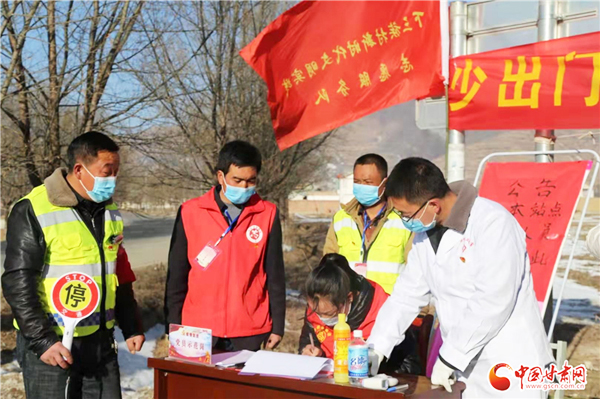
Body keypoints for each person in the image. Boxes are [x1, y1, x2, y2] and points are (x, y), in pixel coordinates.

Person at [367, 158, 554, 398]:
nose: (405, 221)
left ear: (433, 205)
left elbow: (493, 300)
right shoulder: (425, 236)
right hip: (464, 367)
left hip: (509, 362)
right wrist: (377, 347)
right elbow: (405, 297)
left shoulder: (493, 223)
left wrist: (451, 356)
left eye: (405, 214)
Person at [2, 131, 145, 399]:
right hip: (52, 343)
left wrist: (131, 325)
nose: (112, 179)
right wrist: (43, 341)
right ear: (79, 169)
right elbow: (18, 281)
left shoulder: (109, 210)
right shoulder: (34, 208)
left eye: (116, 171)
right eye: (107, 171)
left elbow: (118, 272)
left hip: (100, 342)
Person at [165, 140, 285, 352]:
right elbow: (177, 274)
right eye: (237, 180)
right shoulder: (190, 211)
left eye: (251, 181)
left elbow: (275, 274)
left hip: (249, 328)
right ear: (221, 176)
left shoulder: (267, 214)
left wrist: (278, 326)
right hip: (197, 329)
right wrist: (172, 323)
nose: (244, 187)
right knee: (199, 386)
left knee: (241, 386)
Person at [299, 254, 420, 374]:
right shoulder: (317, 304)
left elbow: (410, 366)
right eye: (318, 313)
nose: (322, 318)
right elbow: (307, 341)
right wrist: (310, 353)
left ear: (349, 298)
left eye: (329, 314)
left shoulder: (385, 309)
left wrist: (372, 370)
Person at [323, 154, 412, 294]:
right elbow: (328, 267)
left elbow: (416, 271)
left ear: (384, 183)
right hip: (348, 307)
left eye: (368, 182)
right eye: (357, 181)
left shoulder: (405, 220)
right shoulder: (341, 219)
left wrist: (422, 313)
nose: (362, 186)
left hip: (390, 307)